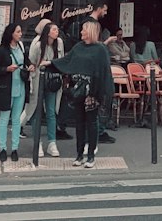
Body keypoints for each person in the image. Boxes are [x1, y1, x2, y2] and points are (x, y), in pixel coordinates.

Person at [50, 19, 114, 169]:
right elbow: (67, 61)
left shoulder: (100, 49)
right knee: (79, 123)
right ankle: (79, 155)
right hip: (78, 89)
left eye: (83, 30)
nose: (81, 32)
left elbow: (105, 72)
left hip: (92, 91)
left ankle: (90, 155)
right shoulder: (78, 47)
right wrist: (50, 64)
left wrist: (102, 92)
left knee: (92, 122)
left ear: (90, 31)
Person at [27, 20, 64, 156]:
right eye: (54, 29)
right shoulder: (37, 45)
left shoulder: (59, 43)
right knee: (36, 110)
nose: (57, 32)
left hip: (53, 80)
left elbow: (61, 60)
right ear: (47, 32)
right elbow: (32, 62)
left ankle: (52, 142)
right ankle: (38, 142)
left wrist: (50, 63)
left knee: (51, 111)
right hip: (38, 80)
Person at [0, 21, 26, 163]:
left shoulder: (21, 47)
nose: (20, 34)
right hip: (6, 88)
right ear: (11, 34)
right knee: (4, 119)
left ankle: (15, 148)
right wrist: (6, 69)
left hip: (20, 86)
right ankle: (3, 148)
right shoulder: (2, 50)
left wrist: (29, 67)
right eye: (18, 32)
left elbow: (26, 61)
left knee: (16, 119)